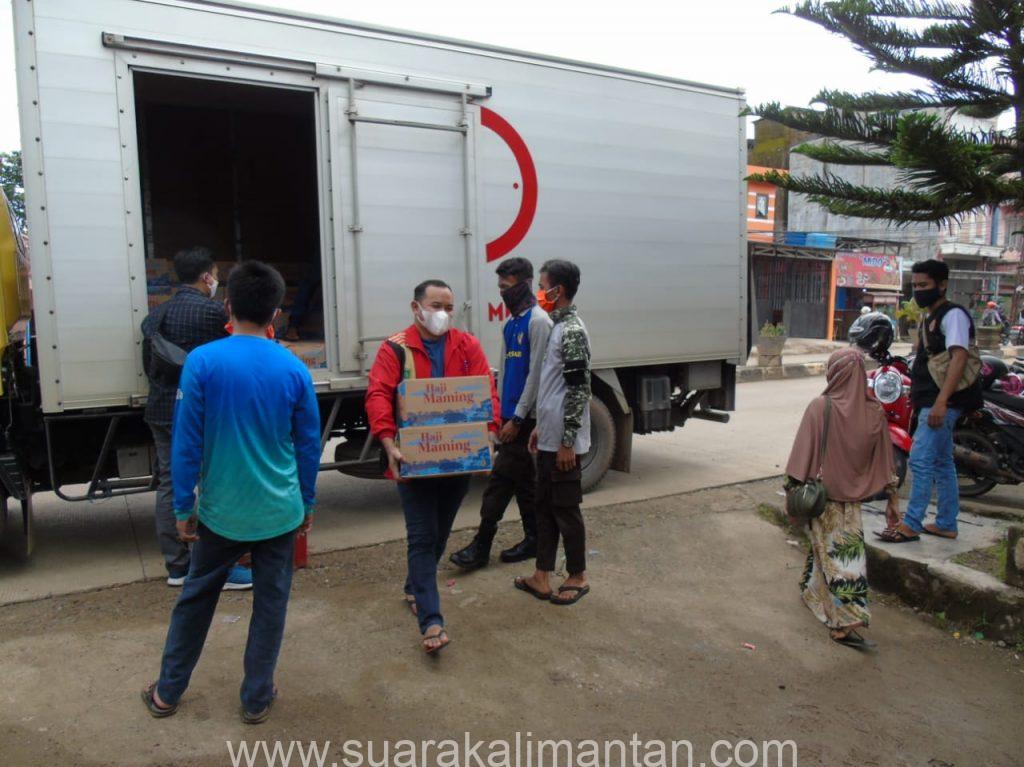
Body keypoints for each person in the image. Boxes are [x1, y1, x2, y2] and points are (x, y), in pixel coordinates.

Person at [141, 261, 321, 723]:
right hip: (279, 513)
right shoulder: (294, 368)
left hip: (220, 515)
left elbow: (186, 445)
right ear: (276, 313)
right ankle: (256, 698)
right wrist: (307, 503)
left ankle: (166, 693)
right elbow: (306, 447)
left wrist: (184, 506)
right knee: (270, 603)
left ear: (227, 305)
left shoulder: (203, 362)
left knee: (196, 600)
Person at [365, 280, 500, 653]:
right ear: (416, 307)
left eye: (448, 306)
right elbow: (378, 393)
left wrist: (488, 434)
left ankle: (414, 587)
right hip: (414, 459)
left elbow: (485, 390)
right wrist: (388, 440)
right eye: (435, 305)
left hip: (457, 460)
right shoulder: (395, 348)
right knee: (422, 537)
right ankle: (431, 620)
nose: (442, 313)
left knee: (440, 532)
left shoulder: (466, 344)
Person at [141, 246, 249, 590]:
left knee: (170, 483)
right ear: (207, 276)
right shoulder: (214, 314)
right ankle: (223, 567)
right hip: (203, 413)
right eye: (215, 274)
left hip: (161, 409)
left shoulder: (156, 315)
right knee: (215, 483)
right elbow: (232, 361)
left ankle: (177, 567)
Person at [785, 349, 899, 649]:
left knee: (844, 562)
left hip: (823, 502)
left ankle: (846, 621)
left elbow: (800, 458)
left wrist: (790, 497)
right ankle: (811, 592)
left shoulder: (820, 407)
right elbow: (887, 463)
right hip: (852, 503)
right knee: (831, 550)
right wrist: (892, 501)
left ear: (835, 374)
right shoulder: (874, 412)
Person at [450, 258, 552, 570]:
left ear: (524, 284)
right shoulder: (510, 324)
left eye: (506, 287)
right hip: (509, 418)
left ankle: (482, 546)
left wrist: (517, 419)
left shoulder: (539, 322)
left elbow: (537, 376)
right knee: (522, 483)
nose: (502, 293)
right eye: (500, 288)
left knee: (499, 483)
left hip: (525, 420)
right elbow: (505, 374)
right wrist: (498, 416)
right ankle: (534, 539)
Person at [881, 259, 983, 543]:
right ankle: (947, 523)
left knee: (921, 460)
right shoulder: (931, 317)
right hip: (931, 399)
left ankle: (911, 524)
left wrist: (941, 402)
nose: (919, 290)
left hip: (941, 403)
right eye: (915, 285)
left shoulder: (954, 316)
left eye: (924, 285)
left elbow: (959, 357)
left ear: (942, 285)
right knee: (941, 462)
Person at [514, 259, 592, 606]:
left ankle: (577, 575)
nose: (539, 293)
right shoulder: (556, 328)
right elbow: (551, 386)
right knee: (544, 507)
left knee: (565, 509)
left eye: (543, 286)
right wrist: (539, 430)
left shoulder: (572, 330)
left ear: (557, 291)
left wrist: (566, 442)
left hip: (563, 442)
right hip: (548, 436)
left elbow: (578, 390)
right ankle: (541, 577)